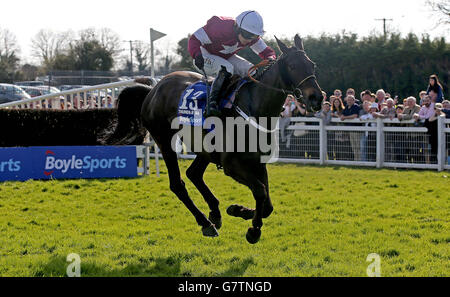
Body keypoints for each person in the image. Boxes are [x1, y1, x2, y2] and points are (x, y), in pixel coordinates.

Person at [188, 10, 277, 117]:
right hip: (204, 54)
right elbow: (194, 39)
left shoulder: (250, 36)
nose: (249, 40)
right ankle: (212, 104)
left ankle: (246, 103)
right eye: (247, 35)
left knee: (252, 71)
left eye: (253, 36)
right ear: (236, 27)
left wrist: (271, 58)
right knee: (227, 68)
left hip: (225, 57)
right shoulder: (219, 26)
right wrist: (196, 54)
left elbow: (267, 52)